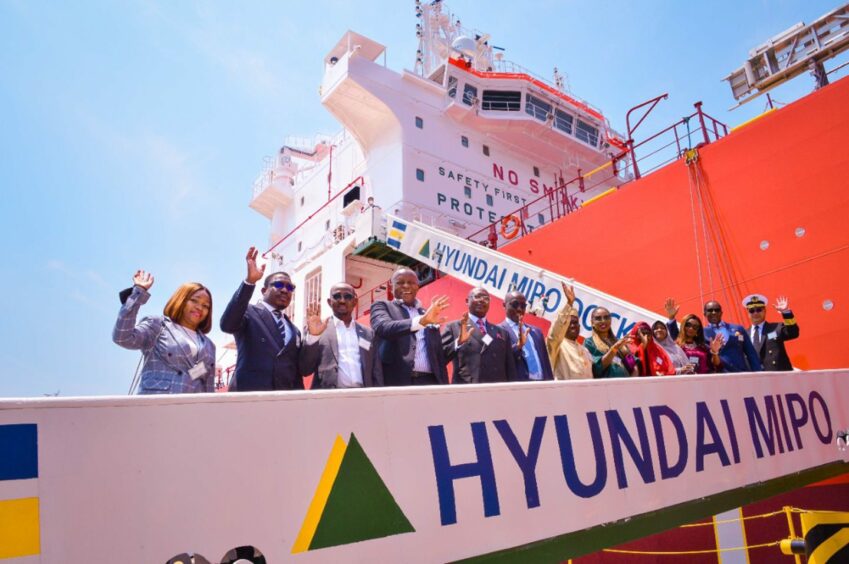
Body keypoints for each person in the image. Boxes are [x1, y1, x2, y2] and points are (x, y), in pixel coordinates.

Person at [113, 270, 216, 394]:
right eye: (194, 300)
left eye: (206, 306)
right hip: (156, 406)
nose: (200, 307)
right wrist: (138, 292)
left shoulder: (209, 346)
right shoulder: (158, 326)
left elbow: (205, 384)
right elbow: (122, 337)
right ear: (181, 300)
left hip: (191, 409)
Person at [220, 247, 305, 391]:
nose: (285, 290)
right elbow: (227, 325)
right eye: (278, 285)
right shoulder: (248, 312)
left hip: (284, 402)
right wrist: (249, 282)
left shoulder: (294, 330)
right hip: (249, 398)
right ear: (264, 290)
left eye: (290, 287)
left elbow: (295, 371)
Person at [369, 267, 449, 386]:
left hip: (430, 382)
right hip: (397, 382)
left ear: (417, 286)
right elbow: (383, 327)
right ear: (391, 287)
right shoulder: (382, 306)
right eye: (400, 283)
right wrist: (421, 322)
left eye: (411, 283)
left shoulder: (426, 314)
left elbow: (437, 354)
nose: (406, 286)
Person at [300, 283, 383, 389]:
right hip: (328, 400)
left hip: (363, 398)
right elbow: (305, 370)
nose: (342, 300)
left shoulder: (368, 333)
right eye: (337, 296)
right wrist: (314, 336)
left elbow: (377, 372)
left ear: (355, 302)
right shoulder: (318, 330)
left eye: (347, 296)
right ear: (329, 302)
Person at [666, 298, 762, 373]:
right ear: (704, 313)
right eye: (710, 310)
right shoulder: (700, 331)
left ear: (721, 312)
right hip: (718, 376)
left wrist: (760, 374)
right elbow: (680, 337)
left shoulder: (738, 329)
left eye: (716, 310)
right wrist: (671, 318)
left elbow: (751, 354)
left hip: (740, 373)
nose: (713, 312)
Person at [442, 287, 516, 383]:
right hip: (468, 390)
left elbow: (510, 367)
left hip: (497, 390)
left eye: (486, 298)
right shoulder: (454, 327)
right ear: (467, 301)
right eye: (477, 297)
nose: (482, 300)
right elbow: (439, 358)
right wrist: (458, 343)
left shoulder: (502, 332)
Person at [499, 290, 554, 381]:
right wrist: (518, 347)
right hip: (519, 388)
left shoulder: (536, 332)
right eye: (515, 304)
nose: (519, 309)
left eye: (523, 306)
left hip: (542, 387)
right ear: (504, 305)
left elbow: (546, 364)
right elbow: (500, 362)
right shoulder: (498, 331)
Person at [546, 283, 592, 380]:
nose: (572, 326)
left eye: (575, 323)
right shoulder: (557, 345)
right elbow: (554, 335)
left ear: (579, 326)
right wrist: (569, 304)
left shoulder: (585, 350)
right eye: (567, 323)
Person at [743, 294, 799, 371]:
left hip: (777, 376)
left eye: (759, 309)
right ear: (748, 313)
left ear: (765, 310)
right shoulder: (744, 334)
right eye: (752, 311)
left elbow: (793, 333)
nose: (755, 313)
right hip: (755, 378)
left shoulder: (776, 328)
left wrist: (786, 312)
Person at [583, 307, 637, 378]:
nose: (603, 321)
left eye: (606, 317)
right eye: (598, 318)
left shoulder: (618, 341)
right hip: (606, 386)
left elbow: (634, 364)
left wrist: (633, 380)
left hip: (626, 384)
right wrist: (614, 349)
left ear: (611, 320)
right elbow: (597, 368)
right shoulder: (589, 343)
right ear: (592, 323)